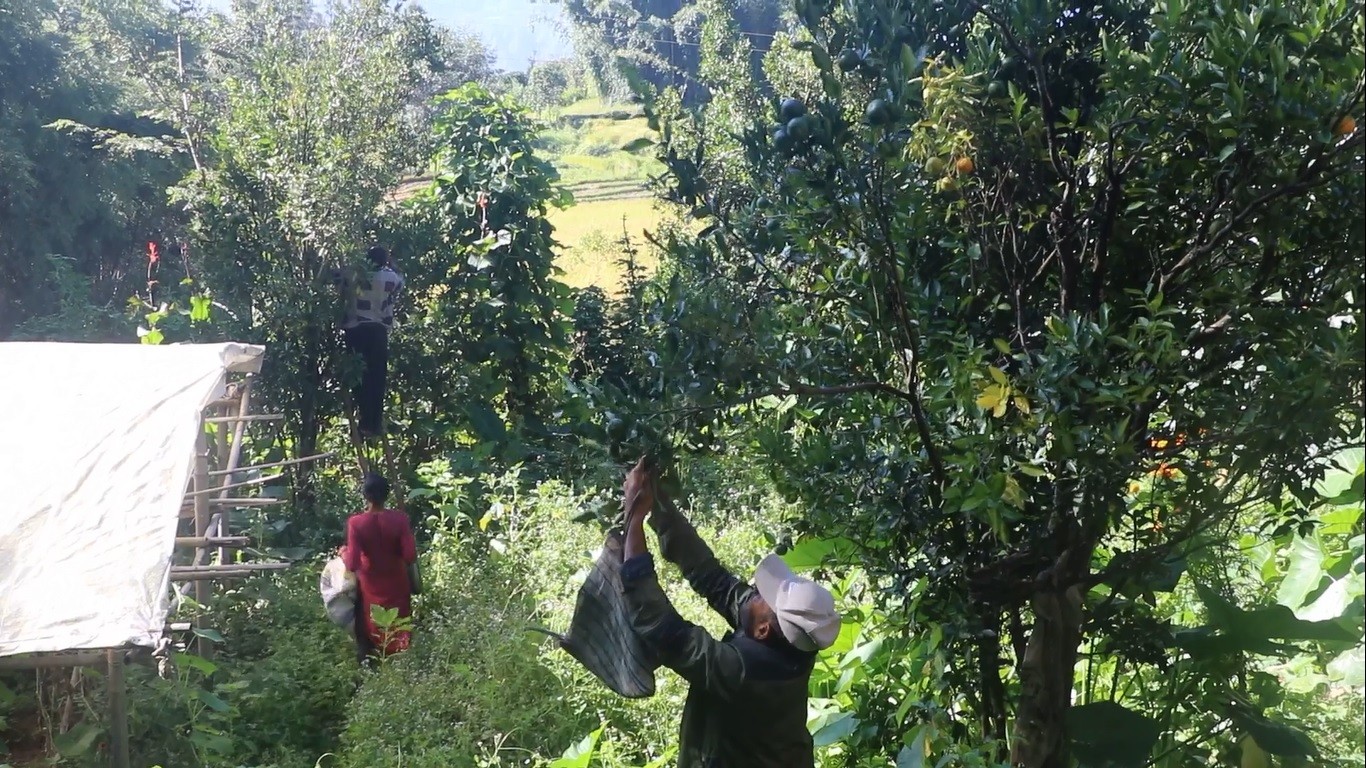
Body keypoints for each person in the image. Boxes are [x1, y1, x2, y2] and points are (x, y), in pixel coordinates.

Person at [618, 459, 841, 767]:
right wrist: (659, 504)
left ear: (762, 630)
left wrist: (633, 517)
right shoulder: (795, 641)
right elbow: (715, 580)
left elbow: (662, 627)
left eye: (762, 596)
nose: (753, 591)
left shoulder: (741, 672)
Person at [341, 473, 416, 664]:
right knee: (399, 620)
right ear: (387, 494)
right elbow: (409, 555)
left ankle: (375, 657)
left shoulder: (356, 523)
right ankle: (402, 656)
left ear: (365, 495)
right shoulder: (400, 519)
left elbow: (352, 564)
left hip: (371, 584)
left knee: (373, 620)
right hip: (397, 581)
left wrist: (343, 552)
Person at [339, 246, 403, 438]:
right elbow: (401, 281)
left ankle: (362, 418)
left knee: (359, 377)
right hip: (378, 331)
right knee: (376, 378)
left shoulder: (356, 275)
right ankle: (372, 423)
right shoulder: (391, 278)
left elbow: (336, 277)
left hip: (356, 330)